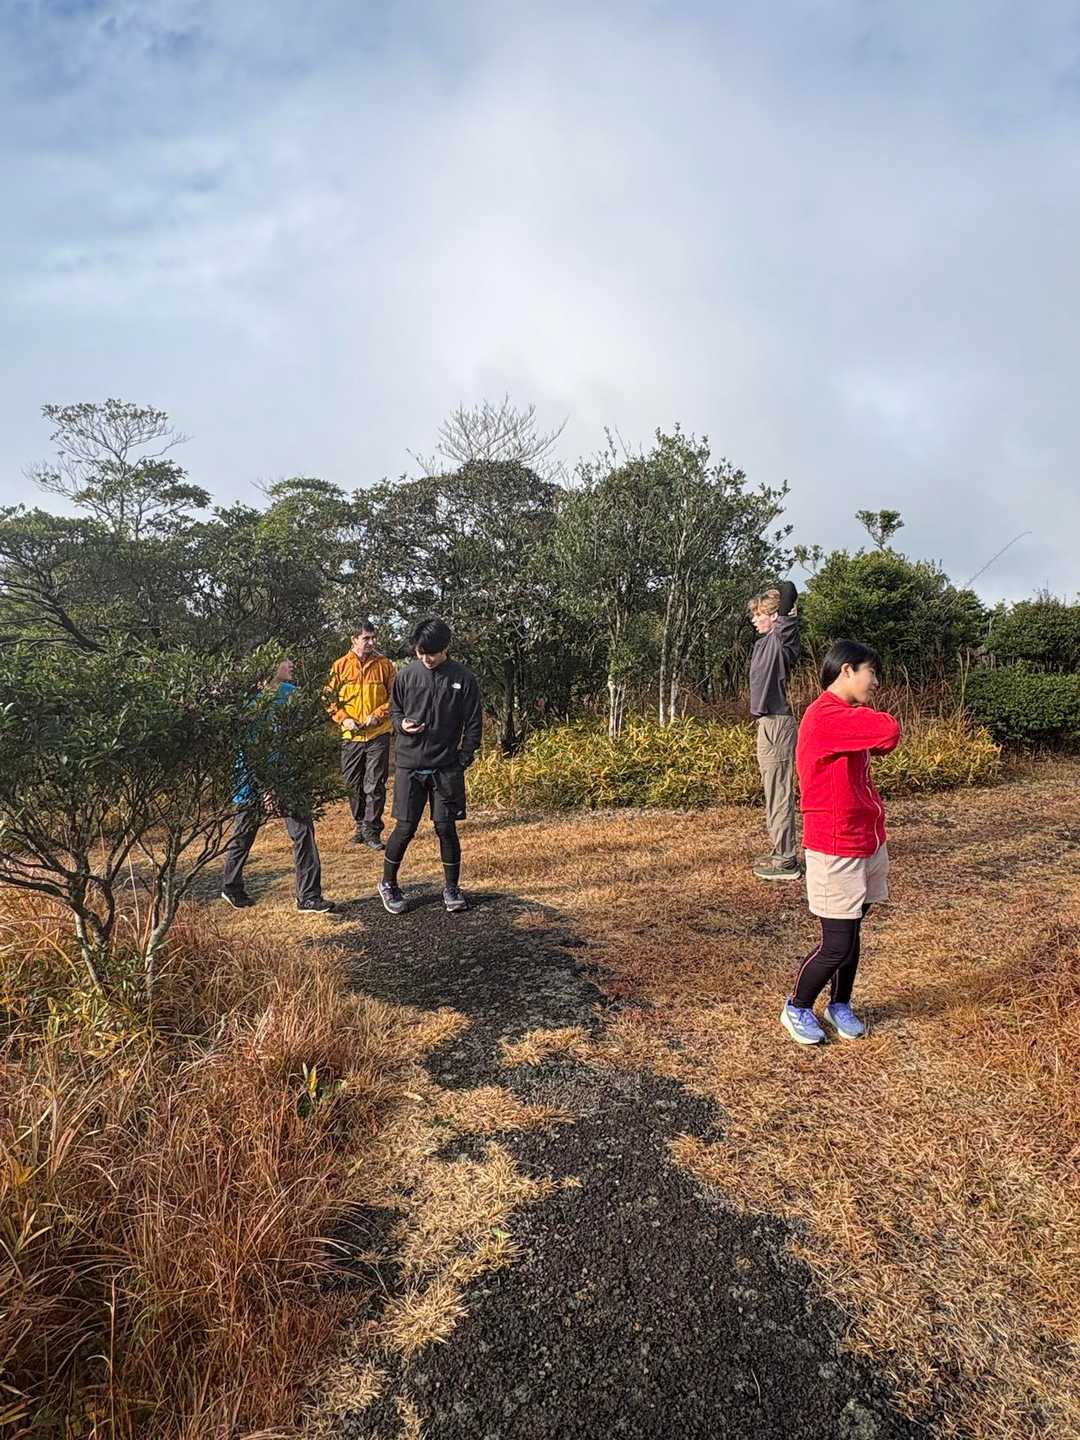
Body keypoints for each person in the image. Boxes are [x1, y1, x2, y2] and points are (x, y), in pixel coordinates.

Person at [780, 640, 901, 1045]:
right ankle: (797, 1006)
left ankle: (840, 1003)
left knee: (852, 931)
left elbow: (883, 745)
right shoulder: (825, 716)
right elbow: (888, 730)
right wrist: (875, 720)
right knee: (836, 944)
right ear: (847, 670)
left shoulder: (844, 717)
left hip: (865, 840)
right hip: (836, 846)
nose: (876, 682)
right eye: (872, 672)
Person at [377, 617, 483, 916]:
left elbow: (474, 723)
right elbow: (395, 710)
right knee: (405, 827)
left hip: (446, 766)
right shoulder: (406, 675)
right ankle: (388, 883)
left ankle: (452, 888)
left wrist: (464, 757)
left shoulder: (463, 678)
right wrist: (401, 724)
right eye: (421, 652)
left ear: (445, 647)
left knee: (445, 827)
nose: (426, 658)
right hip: (409, 766)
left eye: (432, 653)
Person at [220, 659, 335, 913]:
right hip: (252, 779)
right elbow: (252, 750)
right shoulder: (251, 702)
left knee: (303, 832)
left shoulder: (291, 693)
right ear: (271, 664)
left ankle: (308, 896)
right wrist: (266, 788)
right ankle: (231, 886)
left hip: (289, 776)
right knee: (244, 832)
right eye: (285, 660)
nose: (291, 664)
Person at [324, 622, 396, 850]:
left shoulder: (385, 665)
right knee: (352, 783)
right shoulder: (340, 666)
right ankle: (360, 824)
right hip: (351, 735)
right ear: (354, 639)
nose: (371, 642)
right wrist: (344, 718)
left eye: (373, 637)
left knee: (375, 783)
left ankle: (372, 830)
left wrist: (378, 715)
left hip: (378, 733)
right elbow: (329, 699)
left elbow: (396, 697)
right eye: (366, 638)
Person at [748, 581, 802, 881]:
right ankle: (779, 850)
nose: (754, 620)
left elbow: (788, 588)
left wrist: (781, 608)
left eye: (759, 614)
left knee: (779, 792)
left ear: (774, 616)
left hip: (777, 723)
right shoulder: (765, 643)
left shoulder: (782, 638)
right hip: (767, 723)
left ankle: (786, 860)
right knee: (772, 791)